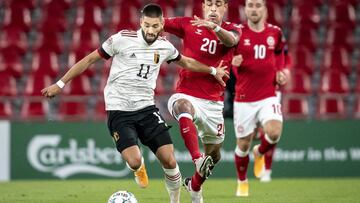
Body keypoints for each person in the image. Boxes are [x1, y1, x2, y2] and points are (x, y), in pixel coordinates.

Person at [41, 4, 229, 203]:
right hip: (119, 110)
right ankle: (138, 169)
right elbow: (89, 60)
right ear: (141, 22)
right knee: (134, 159)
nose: (150, 30)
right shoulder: (121, 39)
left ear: (162, 24)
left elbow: (187, 62)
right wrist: (60, 84)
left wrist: (213, 71)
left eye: (155, 26)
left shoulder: (165, 46)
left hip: (147, 109)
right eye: (146, 25)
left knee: (169, 159)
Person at [164, 0, 241, 202]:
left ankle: (194, 186)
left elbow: (231, 41)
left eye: (218, 4)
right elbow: (155, 22)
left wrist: (214, 27)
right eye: (209, 4)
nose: (213, 9)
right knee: (182, 106)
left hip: (214, 103)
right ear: (203, 7)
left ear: (225, 7)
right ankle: (197, 158)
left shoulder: (233, 29)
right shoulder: (188, 24)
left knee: (214, 156)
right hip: (187, 94)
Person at [231, 0, 288, 197]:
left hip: (268, 95)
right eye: (250, 5)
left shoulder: (275, 32)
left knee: (274, 132)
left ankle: (260, 152)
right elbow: (225, 59)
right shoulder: (237, 33)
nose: (254, 9)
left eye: (258, 5)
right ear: (244, 9)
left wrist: (281, 71)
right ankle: (242, 181)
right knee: (243, 145)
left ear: (264, 9)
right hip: (244, 98)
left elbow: (281, 53)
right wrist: (233, 62)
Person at [256, 44, 291, 182]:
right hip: (251, 94)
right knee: (250, 134)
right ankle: (258, 150)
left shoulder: (282, 58)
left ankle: (267, 170)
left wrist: (284, 73)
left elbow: (286, 65)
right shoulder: (257, 52)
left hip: (271, 95)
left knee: (271, 134)